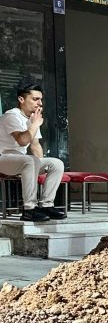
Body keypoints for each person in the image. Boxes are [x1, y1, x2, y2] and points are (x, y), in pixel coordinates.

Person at [0, 83, 66, 222]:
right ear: (21, 99)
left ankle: (46, 205)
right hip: (3, 158)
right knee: (30, 160)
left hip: (21, 160)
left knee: (56, 164)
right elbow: (22, 141)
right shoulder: (11, 116)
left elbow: (35, 146)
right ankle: (29, 209)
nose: (40, 103)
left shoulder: (32, 119)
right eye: (35, 99)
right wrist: (35, 124)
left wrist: (38, 167)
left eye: (41, 99)